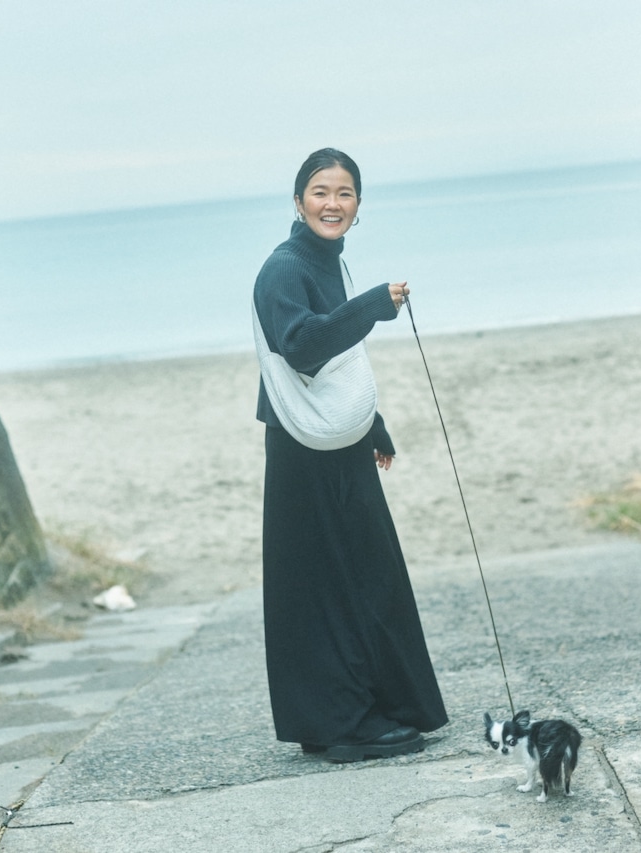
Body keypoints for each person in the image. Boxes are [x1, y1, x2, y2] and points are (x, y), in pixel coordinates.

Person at [253, 148, 448, 762]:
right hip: (301, 450)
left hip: (337, 440)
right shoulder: (282, 269)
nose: (332, 204)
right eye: (320, 191)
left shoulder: (327, 261)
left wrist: (372, 427)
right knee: (321, 586)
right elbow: (304, 351)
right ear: (297, 201)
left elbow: (338, 368)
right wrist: (373, 305)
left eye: (344, 193)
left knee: (368, 576)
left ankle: (369, 709)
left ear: (358, 207)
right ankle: (341, 725)